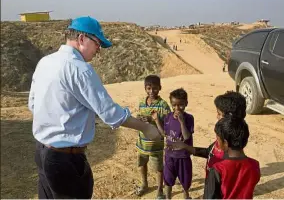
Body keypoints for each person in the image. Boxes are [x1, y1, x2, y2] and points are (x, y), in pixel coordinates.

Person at [28, 16, 161, 199]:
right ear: (82, 39)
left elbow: (33, 104)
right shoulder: (80, 69)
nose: (99, 50)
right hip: (65, 159)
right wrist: (146, 127)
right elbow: (110, 114)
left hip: (42, 153)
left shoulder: (45, 62)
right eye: (97, 43)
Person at [168, 91, 246, 178]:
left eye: (219, 114)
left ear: (230, 116)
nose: (217, 117)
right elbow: (210, 152)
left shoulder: (227, 153)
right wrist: (185, 146)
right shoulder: (224, 141)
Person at [203, 116, 260, 199]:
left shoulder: (218, 169)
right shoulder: (255, 165)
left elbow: (209, 197)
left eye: (218, 139)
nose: (217, 142)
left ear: (225, 143)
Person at [152, 88, 194, 199]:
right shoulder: (168, 117)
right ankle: (168, 198)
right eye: (174, 105)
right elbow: (164, 134)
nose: (177, 108)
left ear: (186, 104)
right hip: (170, 155)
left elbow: (186, 136)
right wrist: (156, 121)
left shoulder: (189, 118)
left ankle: (186, 196)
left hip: (183, 156)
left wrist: (182, 122)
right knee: (168, 180)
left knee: (185, 180)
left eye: (180, 105)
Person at [135, 75, 171, 199]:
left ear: (160, 88)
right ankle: (144, 184)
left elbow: (169, 122)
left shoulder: (163, 105)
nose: (151, 92)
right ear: (145, 88)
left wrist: (153, 119)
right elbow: (139, 116)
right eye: (149, 88)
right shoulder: (141, 102)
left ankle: (160, 191)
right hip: (142, 143)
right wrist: (139, 119)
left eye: (155, 89)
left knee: (158, 168)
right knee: (142, 164)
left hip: (156, 145)